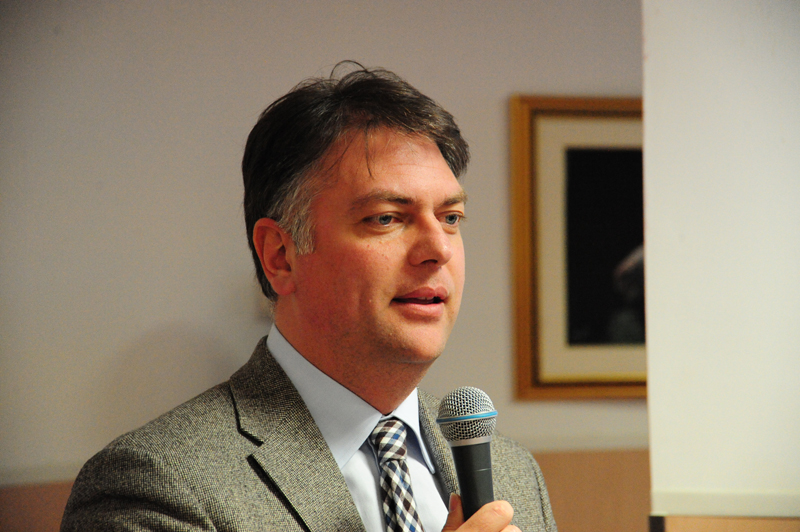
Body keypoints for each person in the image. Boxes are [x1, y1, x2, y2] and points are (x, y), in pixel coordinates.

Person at [61, 63, 557, 532]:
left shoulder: (514, 473)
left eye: (450, 218)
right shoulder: (152, 483)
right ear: (280, 255)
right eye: (386, 218)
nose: (438, 250)